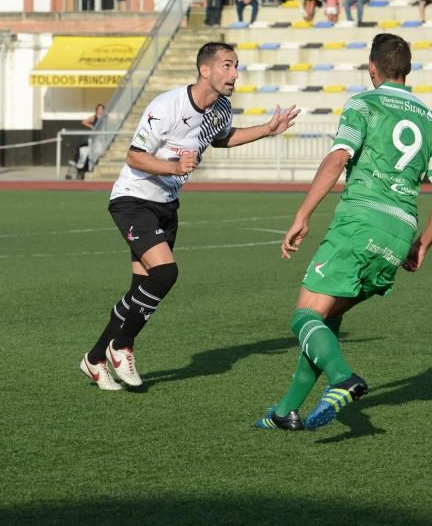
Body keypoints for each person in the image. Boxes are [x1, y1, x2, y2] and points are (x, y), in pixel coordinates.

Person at [255, 33, 432, 431]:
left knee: (304, 317)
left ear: (372, 68)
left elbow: (338, 158)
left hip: (360, 221)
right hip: (400, 234)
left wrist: (303, 213)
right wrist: (422, 245)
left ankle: (343, 378)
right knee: (325, 320)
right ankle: (285, 411)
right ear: (409, 70)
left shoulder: (364, 104)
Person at [79, 42, 300, 391]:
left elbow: (221, 138)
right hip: (133, 199)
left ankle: (94, 359)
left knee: (141, 291)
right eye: (227, 66)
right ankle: (120, 346)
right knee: (165, 273)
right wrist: (173, 166)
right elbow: (134, 157)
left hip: (167, 205)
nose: (235, 74)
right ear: (205, 70)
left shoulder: (222, 108)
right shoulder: (167, 105)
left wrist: (267, 130)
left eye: (237, 66)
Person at [69, 103, 105, 179]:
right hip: (95, 138)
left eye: (101, 109)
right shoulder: (94, 117)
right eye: (98, 109)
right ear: (96, 110)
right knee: (86, 150)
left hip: (102, 139)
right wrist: (92, 126)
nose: (100, 111)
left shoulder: (105, 118)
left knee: (98, 151)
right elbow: (84, 122)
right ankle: (81, 167)